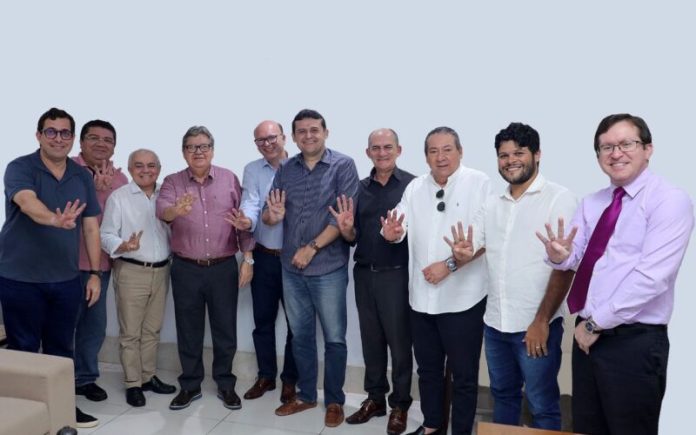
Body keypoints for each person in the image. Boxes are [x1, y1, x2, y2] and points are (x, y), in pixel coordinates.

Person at [537, 114, 694, 435]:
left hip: (632, 342)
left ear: (648, 148)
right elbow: (575, 258)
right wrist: (558, 256)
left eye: (626, 144)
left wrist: (595, 324)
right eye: (606, 147)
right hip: (587, 338)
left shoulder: (669, 200)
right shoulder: (592, 203)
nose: (616, 153)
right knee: (587, 427)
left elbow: (652, 278)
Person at [446, 122, 576, 430]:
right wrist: (461, 254)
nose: (510, 161)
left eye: (519, 153)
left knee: (542, 404)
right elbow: (473, 244)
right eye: (503, 155)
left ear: (537, 154)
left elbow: (565, 266)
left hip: (536, 324)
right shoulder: (492, 203)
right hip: (495, 324)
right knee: (503, 397)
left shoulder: (559, 198)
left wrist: (541, 321)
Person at [381, 126, 490, 435]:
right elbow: (398, 222)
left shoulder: (479, 182)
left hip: (462, 299)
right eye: (433, 151)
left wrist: (450, 264)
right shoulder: (416, 187)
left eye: (447, 150)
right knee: (428, 370)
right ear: (426, 156)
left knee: (464, 375)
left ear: (460, 152)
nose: (440, 157)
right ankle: (432, 426)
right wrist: (391, 233)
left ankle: (461, 431)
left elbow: (484, 236)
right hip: (422, 299)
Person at [0, 107, 101, 428]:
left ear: (73, 138)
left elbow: (90, 228)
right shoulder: (20, 167)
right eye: (51, 131)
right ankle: (23, 418)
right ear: (39, 135)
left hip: (66, 279)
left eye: (65, 132)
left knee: (61, 351)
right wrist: (54, 219)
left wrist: (95, 274)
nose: (58, 138)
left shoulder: (81, 176)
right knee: (23, 350)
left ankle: (62, 410)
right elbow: (27, 202)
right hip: (20, 278)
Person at [263, 109, 359, 427]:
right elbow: (269, 213)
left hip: (328, 269)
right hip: (292, 269)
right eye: (301, 131)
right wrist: (272, 216)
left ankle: (334, 401)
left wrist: (311, 248)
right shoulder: (286, 168)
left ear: (326, 132)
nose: (308, 135)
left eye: (314, 130)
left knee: (334, 338)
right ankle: (305, 395)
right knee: (301, 336)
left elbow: (342, 218)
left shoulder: (343, 165)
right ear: (293, 137)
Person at [156, 126, 255, 411]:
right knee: (188, 329)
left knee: (225, 328)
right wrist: (177, 210)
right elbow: (163, 211)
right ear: (183, 152)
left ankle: (225, 383)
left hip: (223, 267)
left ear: (212, 149)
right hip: (186, 268)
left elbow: (242, 222)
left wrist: (248, 259)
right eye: (191, 147)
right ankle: (190, 385)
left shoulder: (229, 179)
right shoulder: (173, 182)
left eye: (203, 146)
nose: (198, 152)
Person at [329, 128, 415, 434]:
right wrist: (345, 229)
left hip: (397, 275)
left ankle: (400, 404)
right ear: (368, 153)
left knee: (400, 344)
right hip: (364, 274)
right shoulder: (358, 189)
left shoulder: (413, 186)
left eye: (387, 147)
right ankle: (375, 399)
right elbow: (352, 237)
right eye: (375, 148)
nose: (382, 153)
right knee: (371, 342)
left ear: (399, 150)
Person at [226, 120, 298, 404]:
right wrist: (246, 220)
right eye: (260, 140)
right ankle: (266, 375)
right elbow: (250, 202)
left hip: (296, 261)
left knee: (297, 325)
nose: (267, 144)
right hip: (265, 257)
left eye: (272, 138)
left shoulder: (301, 167)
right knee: (263, 321)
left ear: (284, 137)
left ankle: (290, 379)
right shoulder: (253, 170)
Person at [101, 149, 177, 407]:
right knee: (130, 333)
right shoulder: (119, 197)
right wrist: (123, 245)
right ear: (130, 168)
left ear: (159, 168)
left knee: (152, 330)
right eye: (139, 165)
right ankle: (133, 383)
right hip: (131, 270)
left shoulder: (167, 195)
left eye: (151, 165)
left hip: (162, 270)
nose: (146, 170)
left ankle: (147, 377)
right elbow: (105, 234)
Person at [72, 119, 128, 402]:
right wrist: (93, 190)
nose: (101, 144)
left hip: (100, 266)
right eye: (94, 138)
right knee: (64, 325)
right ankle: (58, 378)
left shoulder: (120, 179)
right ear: (81, 142)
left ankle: (84, 378)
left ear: (114, 147)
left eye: (108, 140)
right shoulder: (67, 169)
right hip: (67, 264)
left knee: (94, 326)